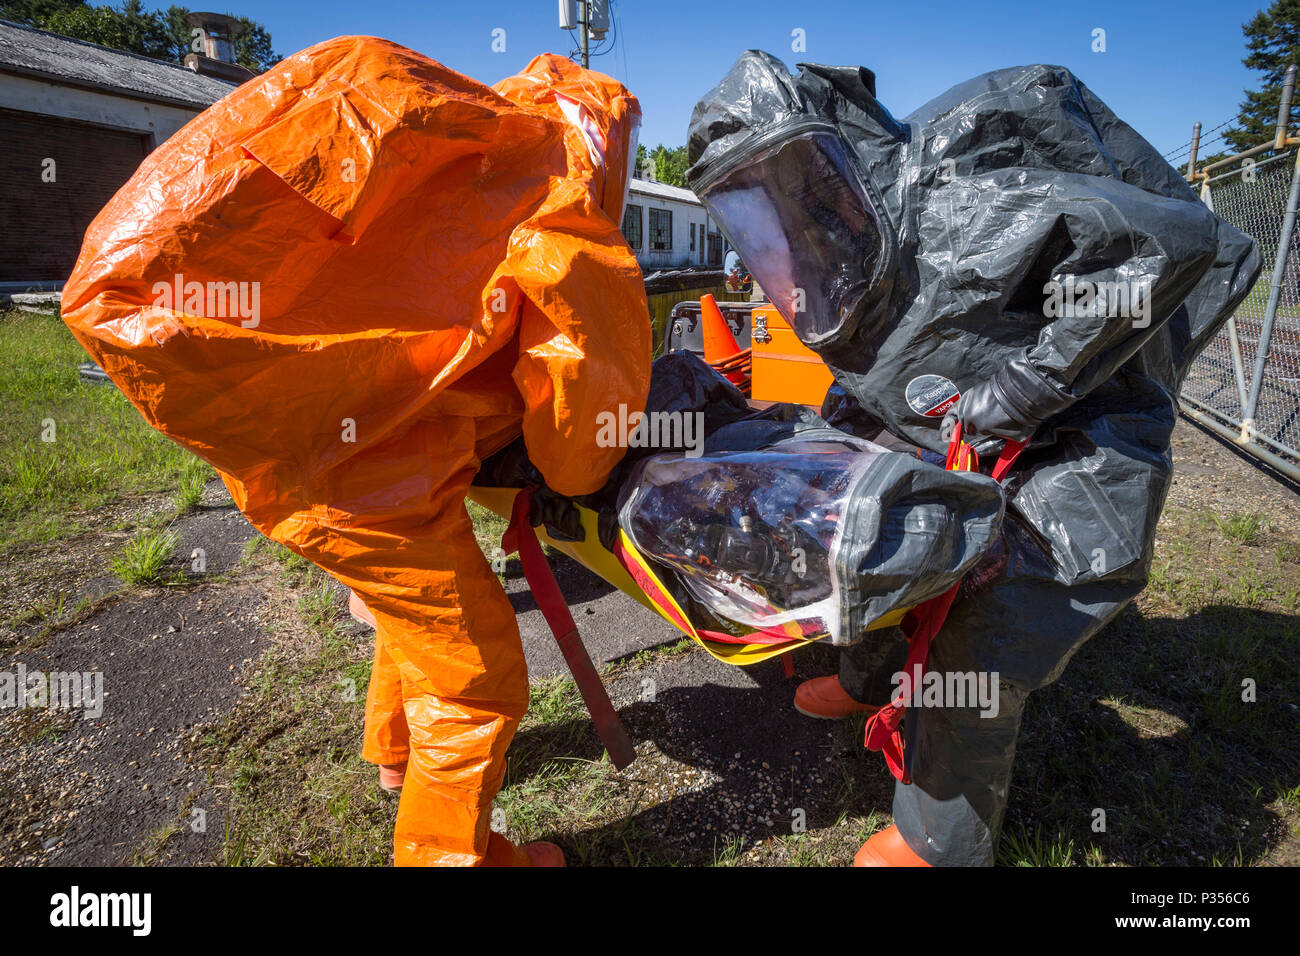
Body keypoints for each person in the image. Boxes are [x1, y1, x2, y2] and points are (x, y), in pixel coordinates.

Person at [62, 37, 650, 866]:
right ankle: (455, 858)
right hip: (379, 476)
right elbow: (577, 450)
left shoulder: (485, 156)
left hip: (295, 455)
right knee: (473, 676)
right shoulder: (563, 207)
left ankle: (396, 755)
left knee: (417, 613)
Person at [687, 52, 1259, 866]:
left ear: (838, 153)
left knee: (985, 630)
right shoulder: (841, 242)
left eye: (788, 177)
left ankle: (937, 843)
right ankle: (865, 682)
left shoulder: (961, 207)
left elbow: (1172, 239)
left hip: (1081, 444)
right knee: (882, 534)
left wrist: (1029, 385)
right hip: (963, 430)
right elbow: (882, 351)